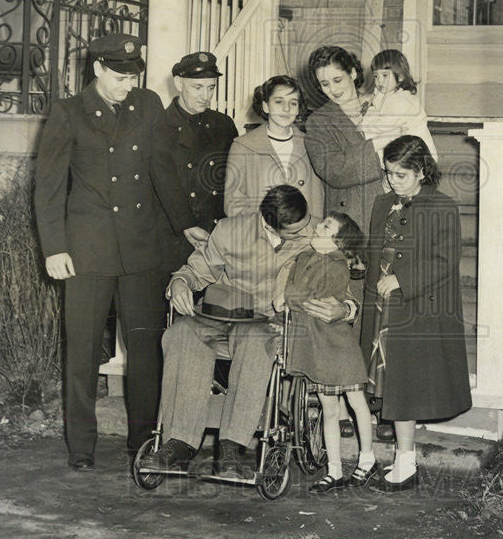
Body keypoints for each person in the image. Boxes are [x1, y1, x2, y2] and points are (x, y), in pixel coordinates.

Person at [34, 33, 191, 471]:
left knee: (146, 351)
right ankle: (81, 446)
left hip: (141, 249)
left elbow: (162, 170)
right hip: (87, 251)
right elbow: (48, 188)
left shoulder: (148, 105)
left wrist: (187, 224)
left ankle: (142, 442)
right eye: (119, 76)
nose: (127, 85)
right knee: (82, 350)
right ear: (98, 69)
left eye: (132, 76)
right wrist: (54, 248)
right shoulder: (68, 113)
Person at [142, 185, 357, 479]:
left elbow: (346, 278)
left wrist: (346, 309)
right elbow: (197, 269)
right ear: (269, 224)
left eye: (307, 223)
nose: (306, 230)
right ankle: (178, 443)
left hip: (266, 321)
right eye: (296, 230)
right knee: (181, 334)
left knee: (258, 342)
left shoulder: (316, 235)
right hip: (221, 312)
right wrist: (179, 282)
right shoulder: (231, 231)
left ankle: (231, 449)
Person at [362, 135, 472, 491]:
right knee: (391, 385)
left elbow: (445, 260)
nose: (393, 181)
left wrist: (401, 279)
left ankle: (405, 462)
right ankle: (402, 460)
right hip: (382, 306)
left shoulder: (442, 207)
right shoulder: (382, 204)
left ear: (422, 171)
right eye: (389, 173)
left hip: (416, 308)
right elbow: (374, 252)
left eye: (401, 175)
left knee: (404, 386)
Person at [272, 212, 377, 493]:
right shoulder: (304, 258)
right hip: (316, 347)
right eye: (320, 223)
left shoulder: (337, 265)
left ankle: (367, 460)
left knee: (356, 403)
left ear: (339, 240)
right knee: (329, 410)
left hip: (339, 347)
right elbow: (294, 288)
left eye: (326, 225)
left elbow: (315, 296)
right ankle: (334, 470)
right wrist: (287, 294)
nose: (318, 226)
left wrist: (287, 296)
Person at [161, 51, 239, 270]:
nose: (205, 95)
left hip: (213, 238)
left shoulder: (223, 125)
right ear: (179, 83)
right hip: (172, 240)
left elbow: (233, 182)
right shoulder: (160, 126)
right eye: (197, 87)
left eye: (211, 87)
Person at [303, 45, 384, 235]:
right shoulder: (318, 122)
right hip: (351, 220)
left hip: (392, 208)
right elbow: (335, 171)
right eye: (325, 83)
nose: (333, 89)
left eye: (337, 80)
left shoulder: (383, 106)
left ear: (353, 73)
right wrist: (380, 143)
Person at [224, 75, 323, 219]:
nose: (286, 108)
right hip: (259, 236)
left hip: (303, 236)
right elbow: (233, 203)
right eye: (279, 102)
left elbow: (318, 199)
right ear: (265, 106)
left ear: (298, 109)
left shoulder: (311, 144)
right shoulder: (242, 146)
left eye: (293, 103)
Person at [359, 49, 437, 167]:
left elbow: (375, 130)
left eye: (385, 75)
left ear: (400, 77)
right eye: (376, 75)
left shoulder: (403, 102)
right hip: (401, 157)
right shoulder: (386, 97)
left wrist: (362, 124)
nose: (379, 80)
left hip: (418, 160)